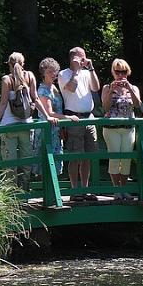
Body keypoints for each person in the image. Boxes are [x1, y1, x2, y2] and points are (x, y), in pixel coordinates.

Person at [0, 52, 57, 190]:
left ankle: (11, 195)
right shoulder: (30, 76)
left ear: (9, 64)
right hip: (26, 125)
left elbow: (2, 103)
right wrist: (47, 117)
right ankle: (24, 193)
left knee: (9, 163)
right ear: (23, 64)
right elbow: (35, 99)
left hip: (9, 126)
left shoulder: (7, 79)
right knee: (27, 161)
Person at [58, 46, 101, 201]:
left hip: (89, 118)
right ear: (73, 58)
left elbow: (96, 87)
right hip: (73, 119)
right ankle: (75, 190)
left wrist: (91, 68)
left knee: (88, 156)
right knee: (75, 156)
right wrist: (76, 70)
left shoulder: (86, 72)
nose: (84, 60)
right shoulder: (63, 74)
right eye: (81, 58)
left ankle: (85, 188)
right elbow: (71, 88)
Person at [101, 59, 142, 200]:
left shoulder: (134, 88)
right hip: (111, 128)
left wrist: (129, 88)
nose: (120, 75)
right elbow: (105, 108)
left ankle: (123, 189)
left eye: (123, 72)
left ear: (127, 72)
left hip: (128, 128)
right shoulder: (107, 87)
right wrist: (112, 90)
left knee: (126, 159)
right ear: (113, 72)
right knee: (115, 158)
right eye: (117, 72)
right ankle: (116, 190)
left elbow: (138, 105)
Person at [32, 57, 79, 175]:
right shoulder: (43, 90)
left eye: (54, 71)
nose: (53, 74)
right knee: (46, 163)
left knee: (55, 162)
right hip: (47, 130)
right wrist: (69, 117)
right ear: (43, 73)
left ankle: (52, 191)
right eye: (49, 72)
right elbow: (49, 113)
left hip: (56, 129)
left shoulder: (53, 87)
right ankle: (46, 192)